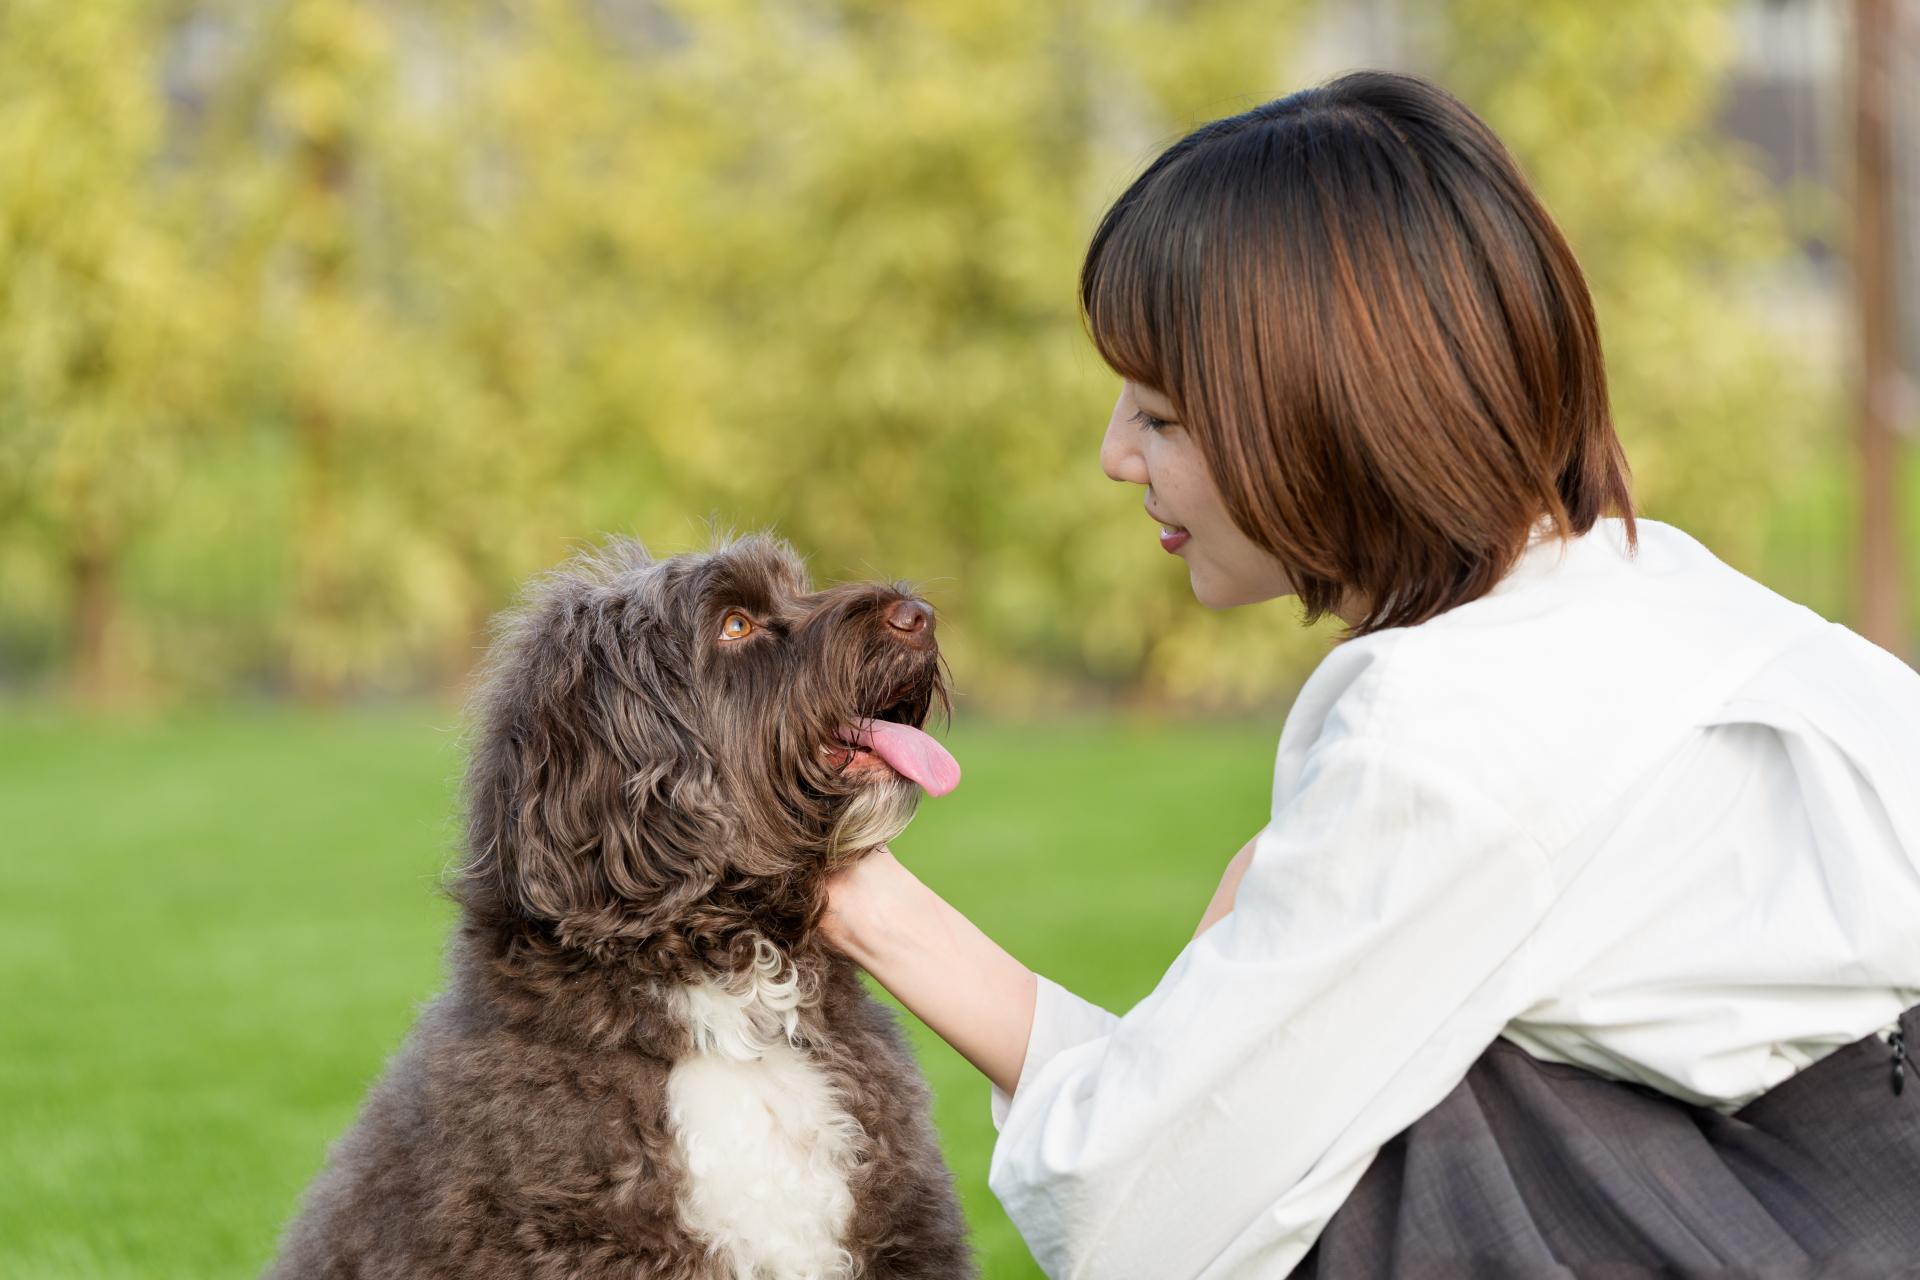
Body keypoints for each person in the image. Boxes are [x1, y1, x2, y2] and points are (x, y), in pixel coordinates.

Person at [820, 70, 1920, 1277]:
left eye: (1164, 417)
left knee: (1360, 1149)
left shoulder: (1449, 736)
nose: (1114, 453)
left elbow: (1152, 1204)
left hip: (1853, 1205)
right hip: (1831, 1178)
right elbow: (1189, 1108)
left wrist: (851, 893)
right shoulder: (1640, 591)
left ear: (1323, 421)